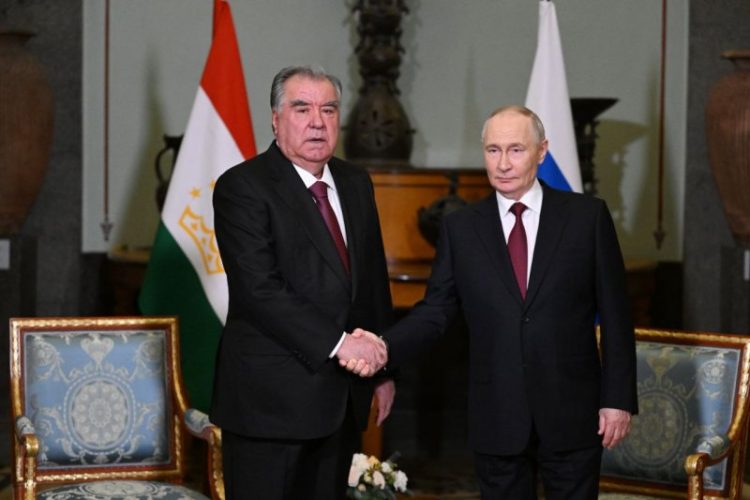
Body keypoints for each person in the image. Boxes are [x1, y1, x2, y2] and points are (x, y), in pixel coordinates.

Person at [346, 105, 638, 499]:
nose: (502, 164)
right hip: (497, 415)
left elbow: (617, 316)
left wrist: (617, 400)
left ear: (542, 151)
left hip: (573, 412)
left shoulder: (587, 218)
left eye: (516, 150)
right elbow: (436, 312)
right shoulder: (461, 228)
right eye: (493, 150)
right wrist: (384, 347)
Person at [210, 65, 395, 500]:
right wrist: (341, 344)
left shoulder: (355, 182)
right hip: (269, 406)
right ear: (276, 120)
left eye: (328, 109)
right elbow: (260, 291)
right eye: (302, 109)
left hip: (341, 402)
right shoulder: (243, 187)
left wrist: (384, 371)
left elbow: (371, 284)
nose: (317, 122)